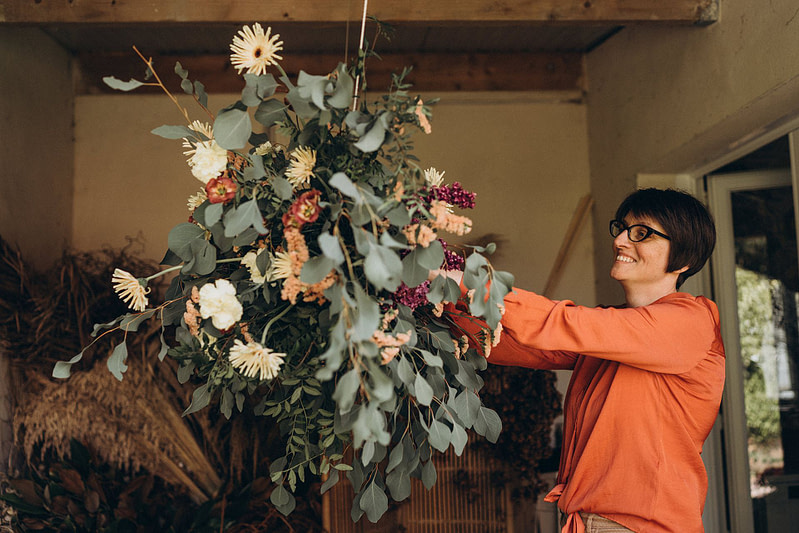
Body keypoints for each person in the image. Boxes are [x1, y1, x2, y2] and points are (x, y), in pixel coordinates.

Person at [449, 188, 724, 532]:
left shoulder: (690, 322)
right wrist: (441, 308)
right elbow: (512, 343)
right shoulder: (613, 330)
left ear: (684, 259)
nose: (620, 241)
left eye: (641, 233)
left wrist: (470, 286)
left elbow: (565, 323)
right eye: (622, 228)